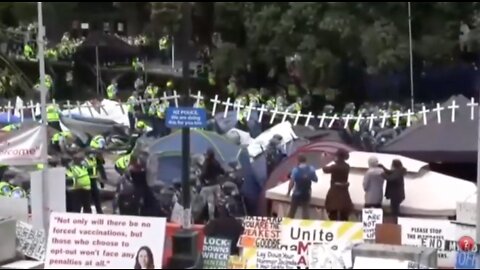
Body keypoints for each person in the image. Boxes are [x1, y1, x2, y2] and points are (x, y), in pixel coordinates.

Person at [323, 149, 353, 221]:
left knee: (332, 210)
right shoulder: (347, 166)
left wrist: (324, 160)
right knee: (344, 213)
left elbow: (325, 170)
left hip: (335, 191)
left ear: (338, 156)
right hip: (344, 191)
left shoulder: (335, 167)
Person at [286, 155, 318, 219]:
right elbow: (315, 180)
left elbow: (291, 183)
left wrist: (288, 192)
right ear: (305, 161)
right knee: (305, 211)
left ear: (298, 161)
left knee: (292, 212)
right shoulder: (311, 169)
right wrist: (308, 177)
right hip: (307, 192)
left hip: (297, 193)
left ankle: (286, 225)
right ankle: (305, 226)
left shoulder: (295, 170)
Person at [199, 149, 225, 221]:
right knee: (218, 202)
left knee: (210, 203)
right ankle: (221, 216)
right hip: (216, 185)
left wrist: (202, 181)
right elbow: (222, 171)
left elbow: (203, 174)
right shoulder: (216, 162)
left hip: (208, 186)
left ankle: (211, 219)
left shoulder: (206, 163)